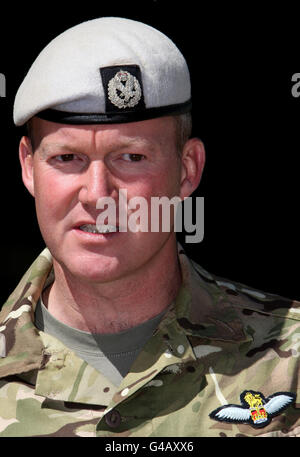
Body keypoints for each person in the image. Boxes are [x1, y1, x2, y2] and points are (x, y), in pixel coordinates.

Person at [0, 16, 298, 438]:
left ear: (187, 169)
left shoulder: (292, 363)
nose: (97, 194)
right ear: (28, 168)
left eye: (132, 157)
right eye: (67, 158)